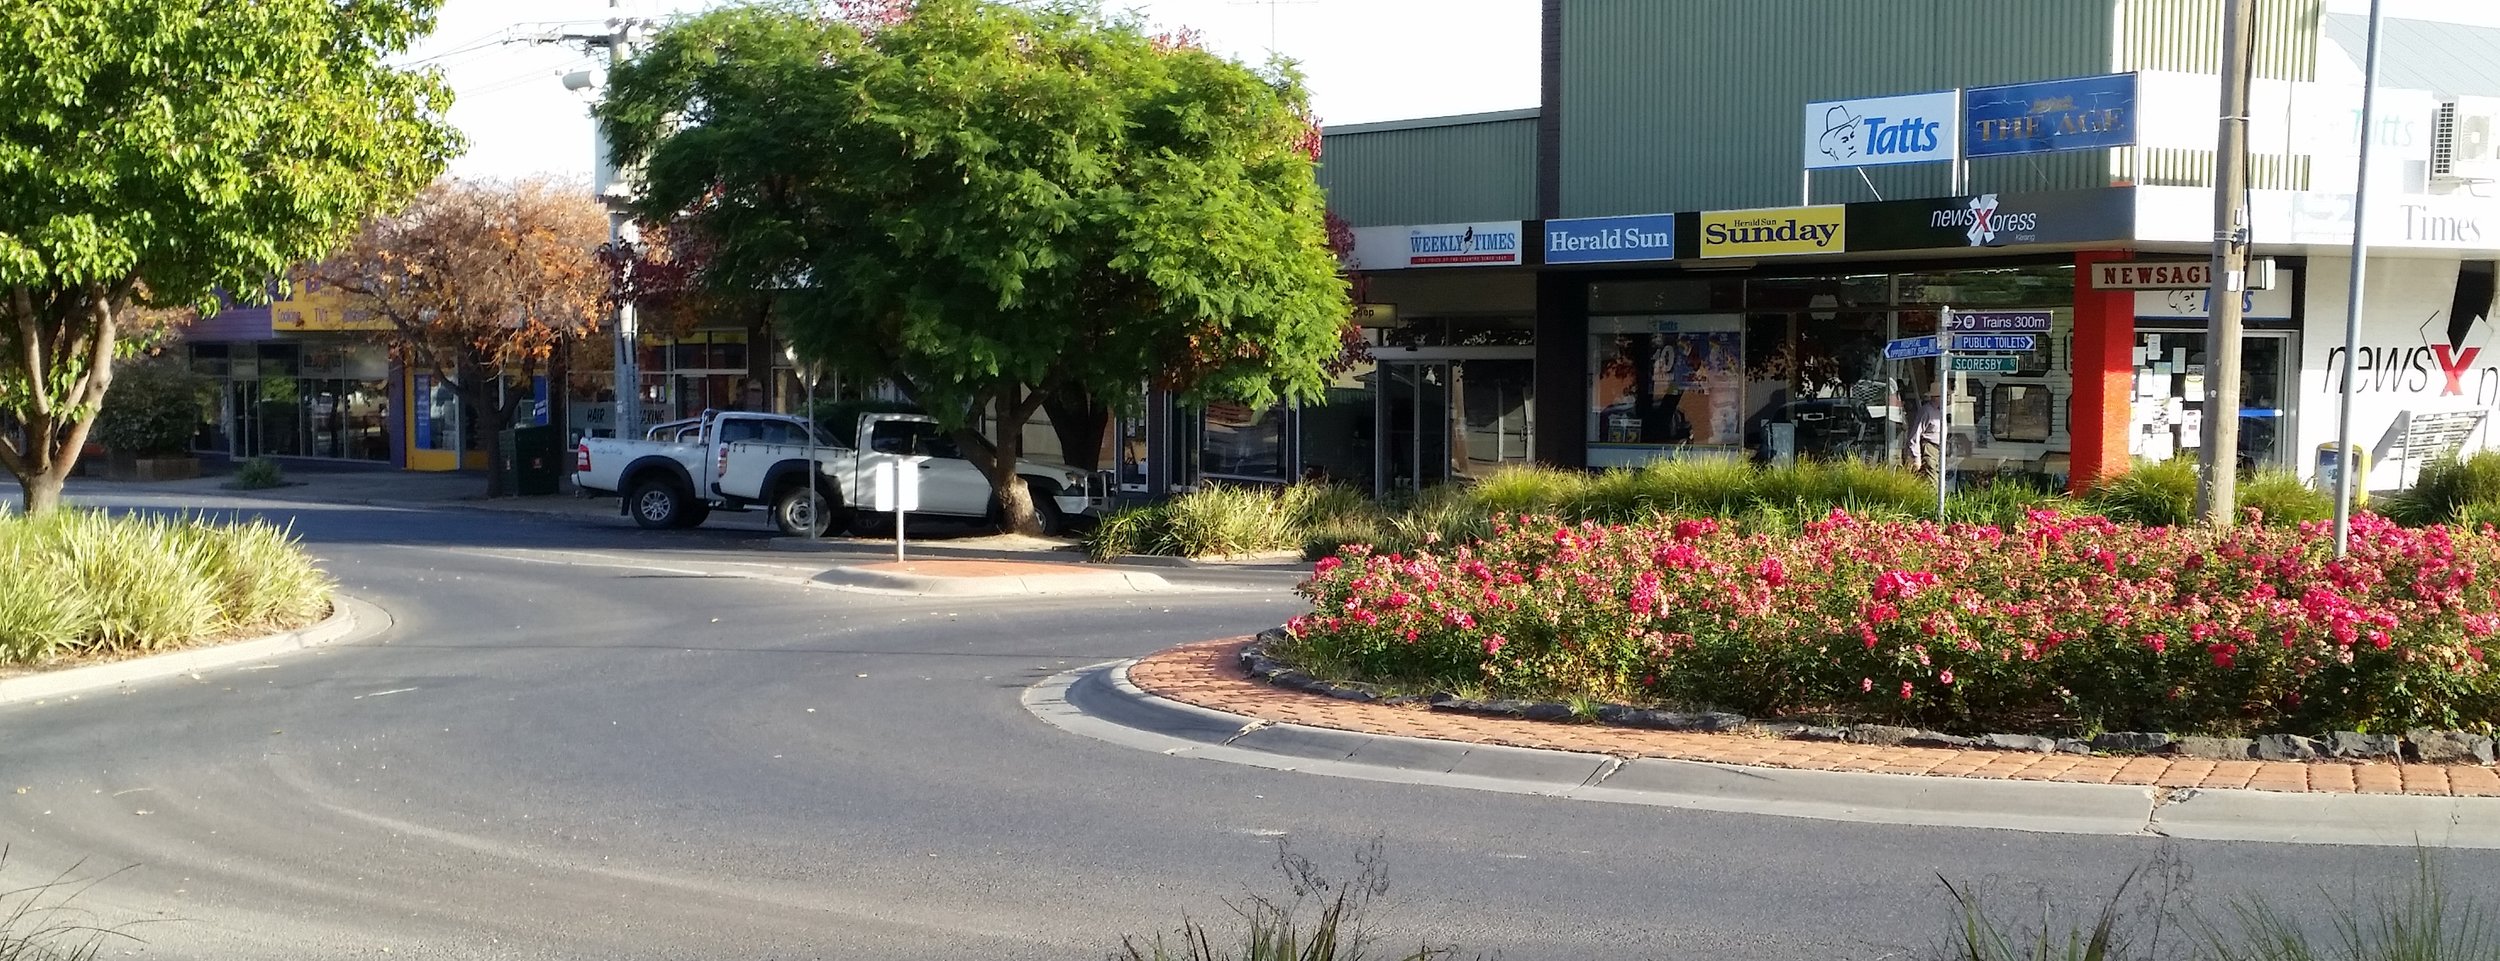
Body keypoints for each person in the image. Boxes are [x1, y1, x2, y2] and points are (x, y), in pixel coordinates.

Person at [1907, 384, 1946, 475]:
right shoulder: (1926, 411)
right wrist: (1916, 458)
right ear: (1936, 397)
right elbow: (1915, 435)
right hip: (1929, 448)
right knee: (1932, 481)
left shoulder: (1939, 412)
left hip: (1939, 450)